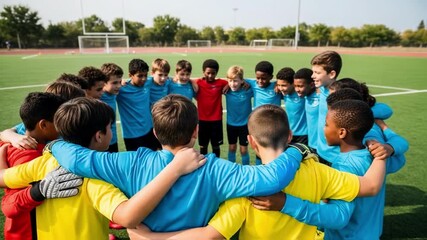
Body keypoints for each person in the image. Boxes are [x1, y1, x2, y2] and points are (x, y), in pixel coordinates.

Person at [49, 94, 307, 233]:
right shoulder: (216, 169)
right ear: (195, 131)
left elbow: (75, 157)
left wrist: (52, 143)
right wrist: (296, 150)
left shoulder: (127, 163)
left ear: (155, 133)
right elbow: (272, 179)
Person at [128, 104, 388, 239]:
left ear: (251, 142)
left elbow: (209, 236)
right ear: (289, 135)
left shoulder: (246, 188)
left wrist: (148, 238)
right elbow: (371, 187)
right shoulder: (319, 171)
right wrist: (382, 153)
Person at [0, 97, 206, 239]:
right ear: (99, 135)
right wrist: (175, 169)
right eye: (110, 128)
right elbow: (127, 216)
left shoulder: (42, 161)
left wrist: (3, 151)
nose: (111, 132)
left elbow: (3, 179)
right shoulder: (96, 179)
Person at [0, 92, 80, 240]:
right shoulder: (29, 157)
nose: (64, 125)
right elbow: (9, 207)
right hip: (28, 233)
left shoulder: (17, 142)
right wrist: (39, 190)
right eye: (59, 121)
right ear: (43, 124)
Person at [0, 81, 85, 149]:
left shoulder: (73, 128)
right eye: (76, 107)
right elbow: (5, 133)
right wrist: (14, 137)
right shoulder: (42, 125)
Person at [116, 58, 158, 151]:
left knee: (152, 159)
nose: (143, 79)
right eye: (140, 76)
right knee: (137, 164)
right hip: (132, 136)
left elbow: (167, 79)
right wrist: (120, 82)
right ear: (130, 75)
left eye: (145, 75)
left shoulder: (148, 83)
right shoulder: (121, 89)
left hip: (149, 131)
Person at [195, 59, 228, 157]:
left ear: (216, 73)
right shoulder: (198, 82)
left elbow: (233, 80)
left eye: (213, 73)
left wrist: (229, 85)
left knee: (216, 146)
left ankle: (216, 164)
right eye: (208, 73)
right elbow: (188, 80)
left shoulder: (221, 83)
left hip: (216, 120)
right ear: (203, 72)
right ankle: (204, 165)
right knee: (203, 146)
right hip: (202, 120)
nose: (210, 76)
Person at [224, 65, 253, 165]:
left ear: (242, 80)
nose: (233, 84)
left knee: (243, 150)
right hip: (231, 124)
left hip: (244, 125)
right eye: (230, 81)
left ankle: (246, 169)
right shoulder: (226, 90)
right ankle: (231, 168)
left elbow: (257, 84)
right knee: (232, 147)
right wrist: (228, 84)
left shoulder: (248, 90)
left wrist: (246, 81)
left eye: (236, 81)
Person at [276, 67, 308, 144]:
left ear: (293, 83)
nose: (281, 88)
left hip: (304, 135)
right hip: (289, 133)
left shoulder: (302, 94)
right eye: (278, 85)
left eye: (283, 85)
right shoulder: (284, 93)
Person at [100, 62, 124, 153]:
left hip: (113, 139)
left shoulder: (114, 93)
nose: (119, 86)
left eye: (120, 82)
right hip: (100, 143)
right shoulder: (98, 97)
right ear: (103, 83)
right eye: (114, 83)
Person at [293, 68, 318, 150]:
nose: (297, 90)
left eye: (300, 86)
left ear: (311, 85)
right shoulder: (306, 96)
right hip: (311, 143)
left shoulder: (321, 96)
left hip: (322, 146)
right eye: (295, 86)